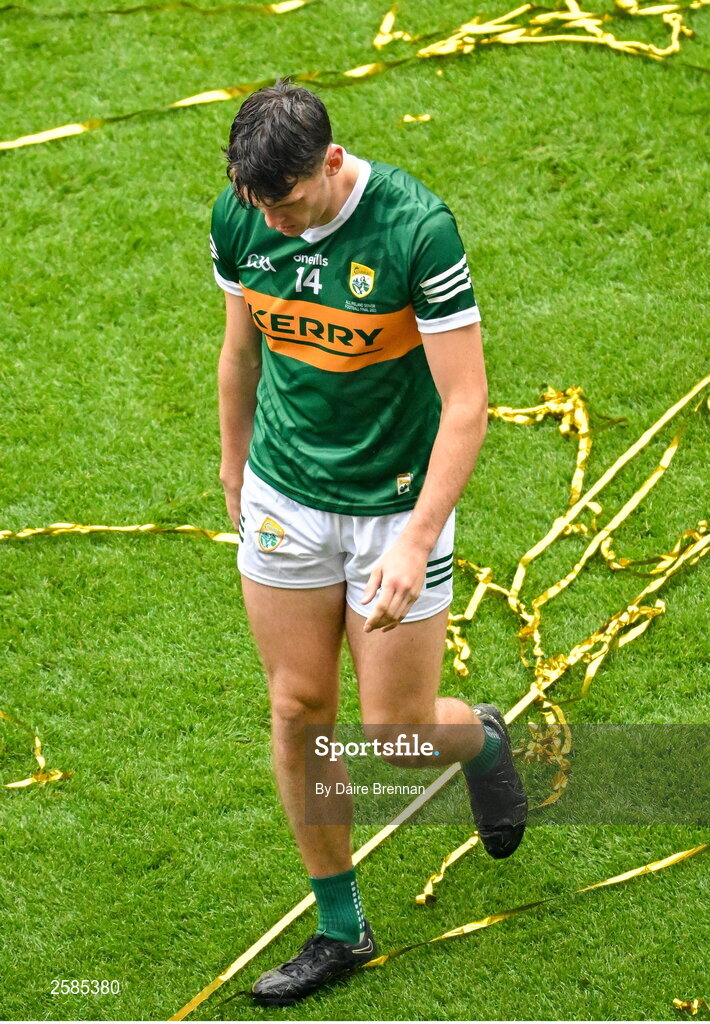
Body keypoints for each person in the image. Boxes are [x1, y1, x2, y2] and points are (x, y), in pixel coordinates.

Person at [210, 79, 527, 1007]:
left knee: (394, 737)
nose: (272, 218)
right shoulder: (244, 216)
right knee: (299, 708)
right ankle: (340, 928)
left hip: (393, 509)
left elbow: (467, 402)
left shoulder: (415, 232)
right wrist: (236, 467)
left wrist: (415, 538)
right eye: (255, 199)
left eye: (289, 200)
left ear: (333, 163)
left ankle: (480, 739)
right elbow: (241, 349)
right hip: (285, 499)